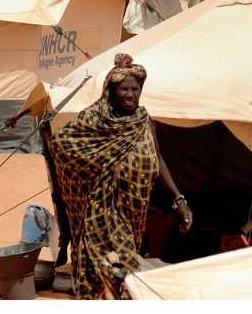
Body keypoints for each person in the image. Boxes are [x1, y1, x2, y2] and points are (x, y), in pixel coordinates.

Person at [48, 54, 193, 300]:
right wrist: (94, 167)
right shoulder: (95, 119)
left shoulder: (143, 121)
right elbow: (60, 143)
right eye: (124, 89)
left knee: (119, 264)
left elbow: (157, 161)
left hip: (132, 210)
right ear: (111, 91)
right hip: (97, 210)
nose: (130, 95)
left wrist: (179, 200)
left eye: (135, 89)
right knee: (113, 264)